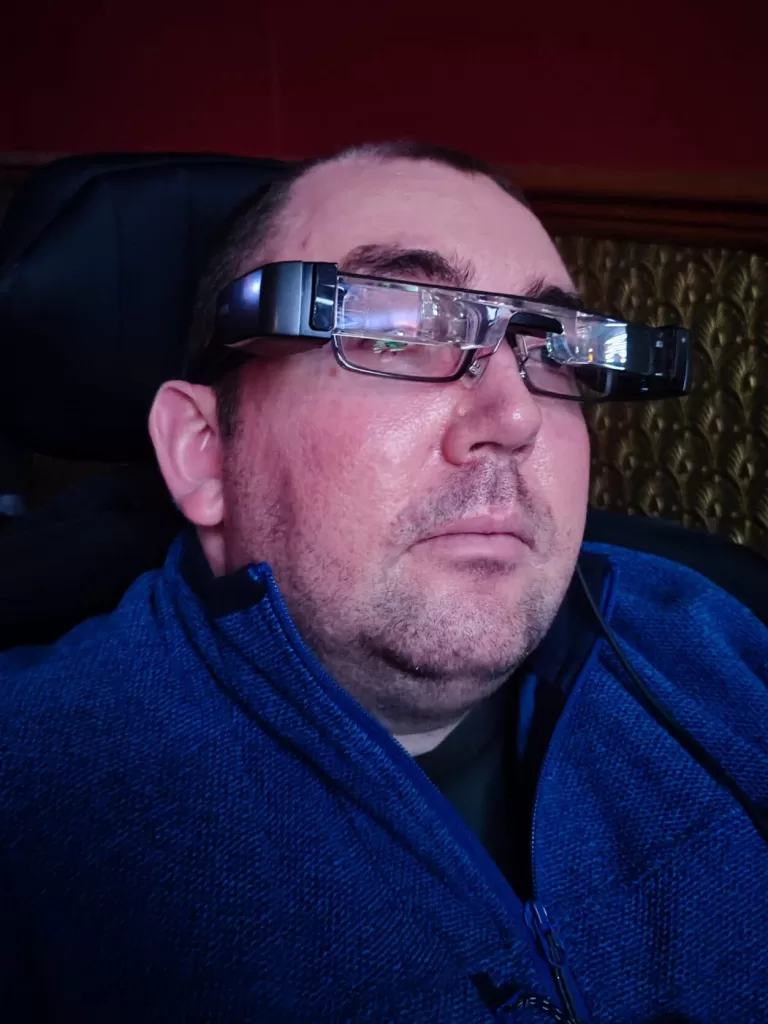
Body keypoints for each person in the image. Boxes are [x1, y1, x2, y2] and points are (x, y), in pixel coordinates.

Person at [0, 142, 766, 1024]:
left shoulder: (712, 638)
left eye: (553, 350)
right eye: (395, 327)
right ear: (204, 453)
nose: (516, 415)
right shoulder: (42, 810)